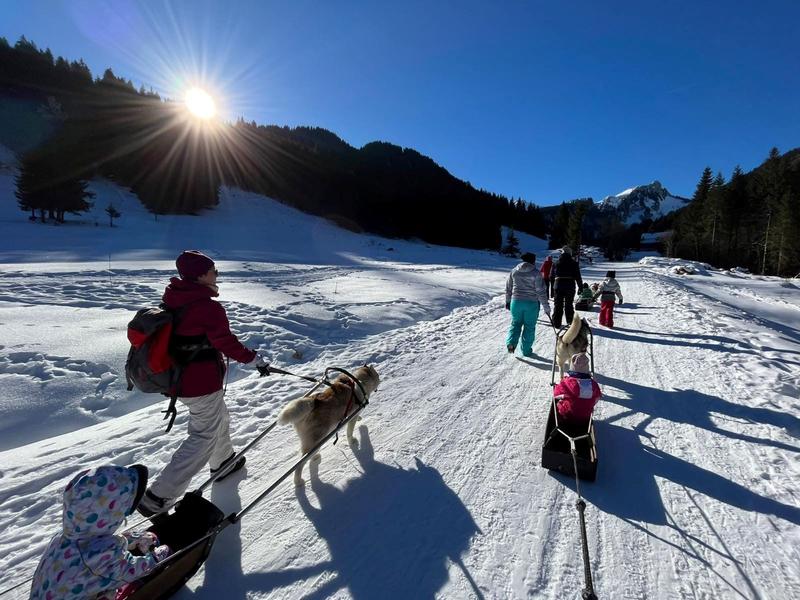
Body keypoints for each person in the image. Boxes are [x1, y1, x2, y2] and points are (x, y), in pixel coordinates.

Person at [138, 250, 269, 517]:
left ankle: (223, 462)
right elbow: (225, 342)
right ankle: (158, 496)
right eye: (213, 270)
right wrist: (255, 360)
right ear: (200, 275)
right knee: (202, 436)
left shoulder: (177, 297)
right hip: (199, 382)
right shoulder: (206, 307)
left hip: (182, 379)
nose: (216, 274)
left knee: (219, 418)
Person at [30, 465, 171, 600]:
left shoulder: (62, 538)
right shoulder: (100, 556)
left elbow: (96, 547)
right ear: (112, 514)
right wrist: (155, 558)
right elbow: (131, 570)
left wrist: (129, 539)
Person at [505, 251, 551, 357]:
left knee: (515, 324)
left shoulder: (514, 271)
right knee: (529, 327)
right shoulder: (536, 273)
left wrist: (508, 301)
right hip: (531, 304)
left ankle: (511, 343)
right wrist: (546, 307)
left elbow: (508, 288)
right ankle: (526, 351)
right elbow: (540, 291)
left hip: (516, 302)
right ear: (533, 261)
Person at [552, 353, 601, 425]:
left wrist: (556, 386)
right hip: (585, 416)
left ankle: (560, 421)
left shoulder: (566, 382)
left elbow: (556, 395)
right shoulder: (594, 384)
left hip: (568, 415)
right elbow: (597, 397)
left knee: (560, 402)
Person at [551, 246, 583, 328]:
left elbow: (551, 276)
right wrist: (580, 287)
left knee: (558, 305)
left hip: (558, 285)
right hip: (570, 285)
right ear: (570, 253)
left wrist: (552, 289)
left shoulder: (556, 263)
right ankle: (570, 322)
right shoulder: (574, 263)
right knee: (569, 305)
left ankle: (556, 323)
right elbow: (578, 277)